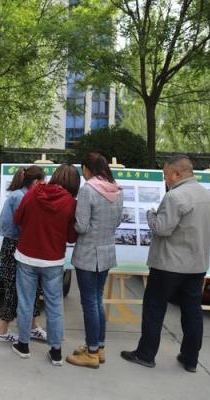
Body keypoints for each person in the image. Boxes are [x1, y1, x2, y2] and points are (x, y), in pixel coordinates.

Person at [121, 155, 210, 373]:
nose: (165, 179)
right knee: (192, 311)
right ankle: (190, 359)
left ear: (176, 173)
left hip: (169, 265)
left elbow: (162, 228)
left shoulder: (175, 196)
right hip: (197, 265)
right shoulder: (206, 195)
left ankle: (146, 355)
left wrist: (151, 215)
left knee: (154, 309)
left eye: (165, 175)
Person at [12, 164, 80, 365]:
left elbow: (18, 218)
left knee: (25, 301)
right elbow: (71, 236)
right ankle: (56, 351)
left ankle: (23, 345)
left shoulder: (34, 192)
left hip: (26, 256)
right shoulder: (70, 203)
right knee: (54, 305)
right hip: (53, 260)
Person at [66, 152, 123, 369]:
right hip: (107, 253)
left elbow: (81, 226)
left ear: (87, 168)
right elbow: (117, 222)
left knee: (89, 303)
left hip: (88, 254)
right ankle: (98, 348)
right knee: (97, 300)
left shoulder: (88, 190)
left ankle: (90, 354)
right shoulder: (117, 190)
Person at [0, 166, 48, 343]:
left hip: (18, 245)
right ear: (36, 182)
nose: (46, 184)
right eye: (43, 181)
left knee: (32, 288)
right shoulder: (21, 196)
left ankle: (32, 327)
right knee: (14, 290)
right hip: (16, 246)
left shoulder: (21, 195)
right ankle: (2, 331)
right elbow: (24, 225)